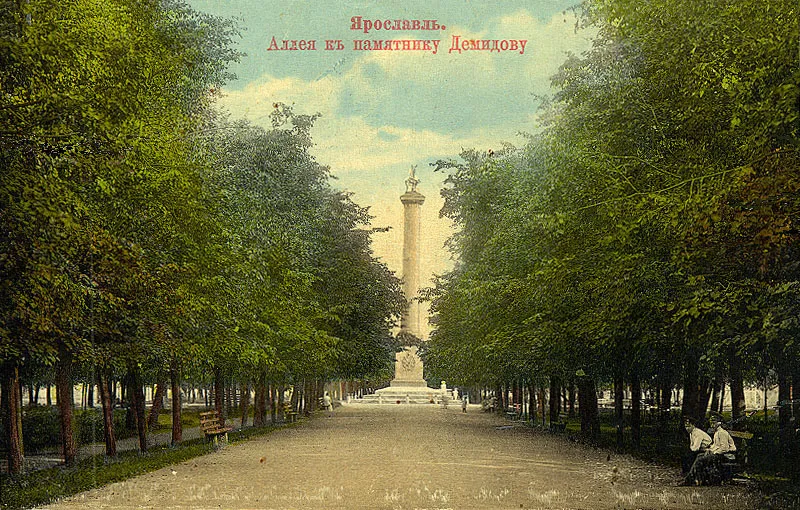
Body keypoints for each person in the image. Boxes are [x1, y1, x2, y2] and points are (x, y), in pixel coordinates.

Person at [682, 418, 712, 485]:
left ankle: (692, 478)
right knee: (685, 456)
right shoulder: (691, 433)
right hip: (700, 449)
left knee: (690, 456)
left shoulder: (697, 433)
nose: (687, 428)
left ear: (693, 425)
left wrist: (692, 449)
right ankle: (689, 476)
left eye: (689, 426)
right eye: (686, 427)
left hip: (707, 449)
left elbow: (696, 447)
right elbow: (692, 445)